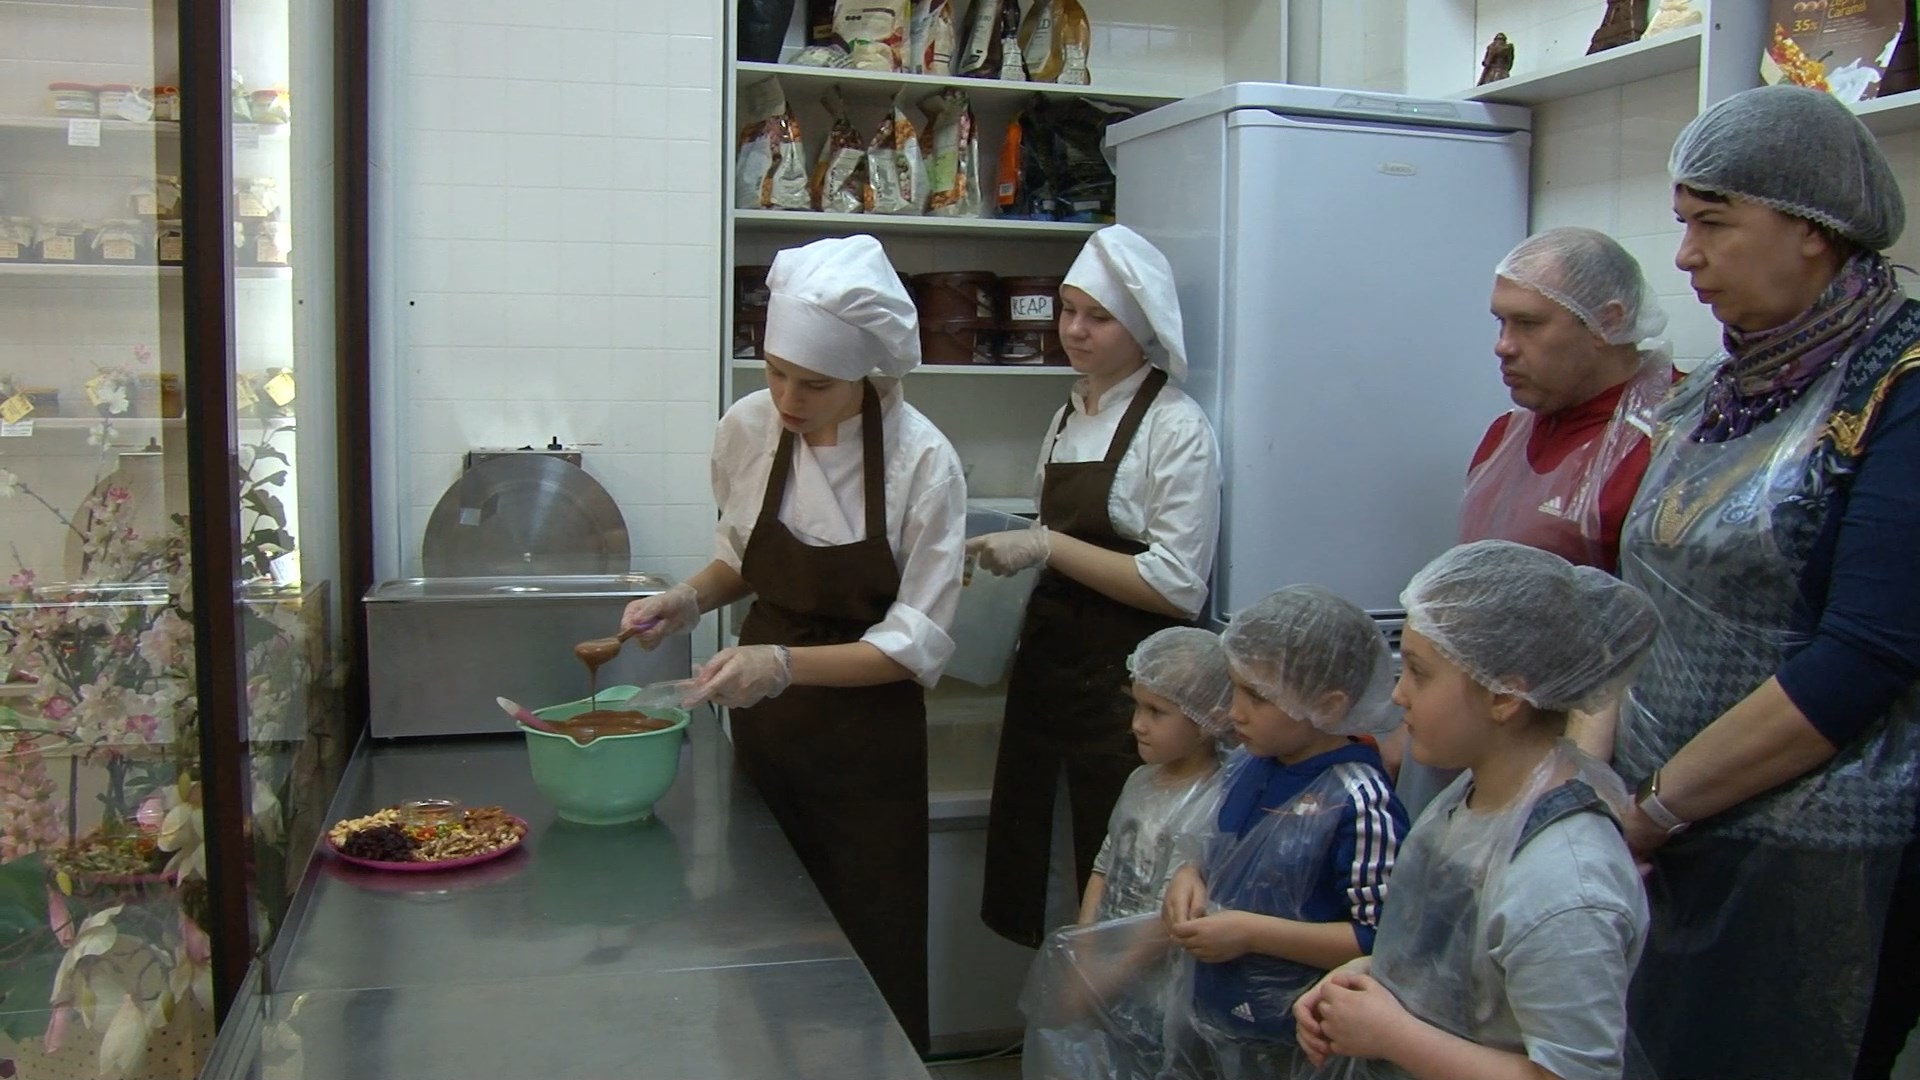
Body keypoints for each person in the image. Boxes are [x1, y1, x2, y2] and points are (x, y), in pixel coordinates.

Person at [1604, 85, 1920, 1080]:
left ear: (1812, 230)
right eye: (1683, 224)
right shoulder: (1718, 390)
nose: (1684, 256)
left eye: (1713, 224)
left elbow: (1860, 661)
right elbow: (1643, 599)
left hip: (1816, 860)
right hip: (1669, 824)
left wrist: (1655, 809)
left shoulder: (1901, 390)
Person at [618, 234, 966, 1051]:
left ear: (867, 373)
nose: (786, 398)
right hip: (768, 736)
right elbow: (745, 557)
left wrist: (782, 665)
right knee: (766, 934)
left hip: (867, 744)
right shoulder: (749, 428)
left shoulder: (922, 462)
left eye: (814, 384)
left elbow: (914, 644)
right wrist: (687, 599)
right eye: (775, 371)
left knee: (870, 942)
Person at [1295, 540, 1659, 1080]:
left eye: (1418, 672)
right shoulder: (1472, 796)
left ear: (1503, 697)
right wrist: (1364, 981)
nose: (1398, 695)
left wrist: (1392, 1035)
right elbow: (1456, 959)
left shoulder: (1565, 883)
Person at [972, 224, 1223, 948]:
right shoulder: (1065, 415)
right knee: (1036, 858)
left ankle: (1100, 1004)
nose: (1074, 330)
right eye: (1067, 309)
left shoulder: (1175, 427)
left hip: (1127, 693)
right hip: (1048, 678)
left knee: (1111, 876)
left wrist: (1047, 543)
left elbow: (1178, 587)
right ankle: (1046, 1001)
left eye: (1098, 317)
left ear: (1141, 328)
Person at [1399, 227, 1672, 817]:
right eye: (1500, 323)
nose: (1503, 346)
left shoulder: (1671, 438)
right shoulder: (1505, 436)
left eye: (1527, 324)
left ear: (1607, 322)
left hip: (1587, 760)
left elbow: (1643, 647)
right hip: (1480, 741)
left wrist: (1569, 796)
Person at [1156, 585, 1410, 1080]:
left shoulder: (1358, 800)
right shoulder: (1247, 765)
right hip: (1215, 1012)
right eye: (1234, 687)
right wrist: (1191, 874)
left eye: (1257, 696)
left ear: (1328, 706)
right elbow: (1225, 852)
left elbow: (1383, 940)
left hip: (1300, 1041)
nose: (1235, 711)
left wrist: (1251, 935)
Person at [1018, 627, 1232, 1079]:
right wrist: (1085, 948)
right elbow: (1104, 865)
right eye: (1137, 705)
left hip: (1163, 991)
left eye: (1157, 711)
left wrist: (1102, 980)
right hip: (1108, 973)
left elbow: (1168, 919)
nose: (1137, 724)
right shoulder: (1140, 782)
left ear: (1209, 719)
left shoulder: (1216, 800)